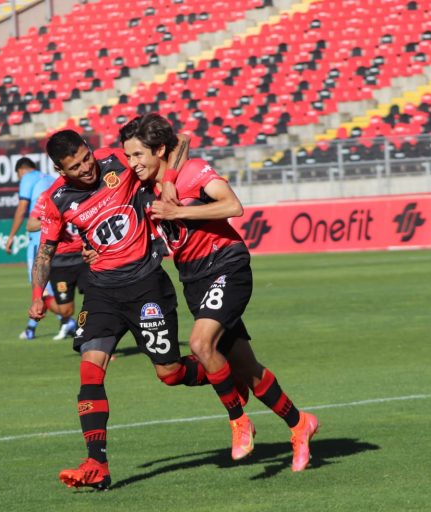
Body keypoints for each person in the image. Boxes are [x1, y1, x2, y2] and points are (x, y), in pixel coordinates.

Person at [120, 113, 319, 472]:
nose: (132, 164)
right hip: (193, 280)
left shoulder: (191, 171)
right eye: (128, 157)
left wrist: (179, 209)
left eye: (137, 155)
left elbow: (233, 206)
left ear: (159, 150)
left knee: (199, 345)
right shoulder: (146, 188)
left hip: (226, 264)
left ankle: (239, 421)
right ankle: (300, 424)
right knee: (248, 369)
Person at [28, 130, 211, 490]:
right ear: (58, 170)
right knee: (90, 370)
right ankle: (97, 464)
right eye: (75, 166)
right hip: (101, 292)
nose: (86, 168)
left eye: (86, 158)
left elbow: (179, 143)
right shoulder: (56, 200)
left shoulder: (118, 160)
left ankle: (220, 371)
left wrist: (170, 183)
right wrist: (38, 294)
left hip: (146, 287)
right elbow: (45, 251)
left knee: (170, 374)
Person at [5, 157, 63, 340]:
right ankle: (32, 328)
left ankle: (67, 321)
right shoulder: (50, 179)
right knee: (48, 287)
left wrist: (11, 236)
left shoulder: (27, 177)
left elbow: (22, 209)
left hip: (38, 240)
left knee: (39, 285)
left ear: (21, 170)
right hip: (54, 238)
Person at [27, 189, 86, 340]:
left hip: (85, 256)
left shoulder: (84, 190)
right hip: (60, 261)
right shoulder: (47, 195)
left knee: (98, 299)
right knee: (66, 311)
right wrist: (54, 221)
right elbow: (31, 224)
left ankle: (95, 342)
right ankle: (46, 298)